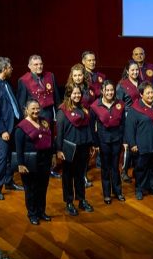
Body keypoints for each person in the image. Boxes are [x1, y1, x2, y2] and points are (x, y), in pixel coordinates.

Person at [0, 56, 23, 201]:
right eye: (10, 67)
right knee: (2, 158)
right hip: (4, 129)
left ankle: (9, 182)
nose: (12, 69)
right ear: (4, 69)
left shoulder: (6, 82)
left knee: (10, 157)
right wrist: (2, 131)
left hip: (13, 125)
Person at [56, 84, 95, 216]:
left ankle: (81, 200)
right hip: (69, 148)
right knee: (68, 176)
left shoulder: (83, 109)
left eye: (79, 93)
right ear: (68, 94)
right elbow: (59, 132)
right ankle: (69, 202)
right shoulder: (62, 111)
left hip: (83, 147)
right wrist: (59, 150)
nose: (77, 96)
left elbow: (87, 128)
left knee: (80, 175)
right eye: (74, 93)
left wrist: (90, 145)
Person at [125, 83, 153, 200]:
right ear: (141, 94)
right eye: (148, 93)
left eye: (152, 92)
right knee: (141, 168)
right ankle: (140, 189)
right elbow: (129, 128)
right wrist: (132, 144)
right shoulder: (135, 109)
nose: (151, 95)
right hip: (143, 144)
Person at [14, 100, 53, 225]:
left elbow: (50, 140)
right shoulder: (21, 127)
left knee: (42, 188)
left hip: (44, 160)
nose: (36, 111)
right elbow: (18, 148)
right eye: (33, 109)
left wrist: (52, 156)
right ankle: (32, 214)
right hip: (30, 163)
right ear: (26, 110)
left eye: (37, 108)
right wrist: (20, 164)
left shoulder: (44, 122)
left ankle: (41, 211)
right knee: (31, 189)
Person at [90, 81, 126, 205]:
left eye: (112, 90)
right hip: (103, 140)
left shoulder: (120, 104)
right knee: (105, 168)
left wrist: (124, 140)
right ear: (102, 91)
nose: (110, 92)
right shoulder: (95, 106)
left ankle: (118, 191)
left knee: (116, 167)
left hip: (117, 139)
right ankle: (107, 194)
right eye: (108, 90)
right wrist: (95, 143)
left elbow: (123, 123)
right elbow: (91, 127)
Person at [16, 54, 59, 122]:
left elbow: (57, 99)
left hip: (49, 118)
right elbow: (22, 104)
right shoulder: (23, 80)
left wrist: (58, 115)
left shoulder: (50, 76)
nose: (39, 66)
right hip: (33, 119)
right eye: (36, 64)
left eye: (41, 64)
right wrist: (27, 121)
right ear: (29, 66)